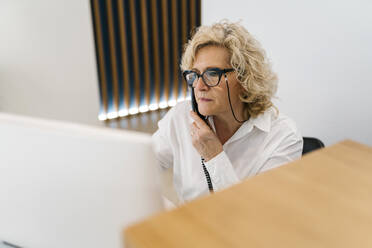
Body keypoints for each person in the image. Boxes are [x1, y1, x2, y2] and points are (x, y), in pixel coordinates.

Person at [152, 20, 303, 205]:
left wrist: (214, 156)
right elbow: (137, 168)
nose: (199, 86)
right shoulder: (180, 116)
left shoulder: (283, 137)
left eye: (212, 74)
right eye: (195, 75)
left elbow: (258, 215)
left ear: (245, 79)